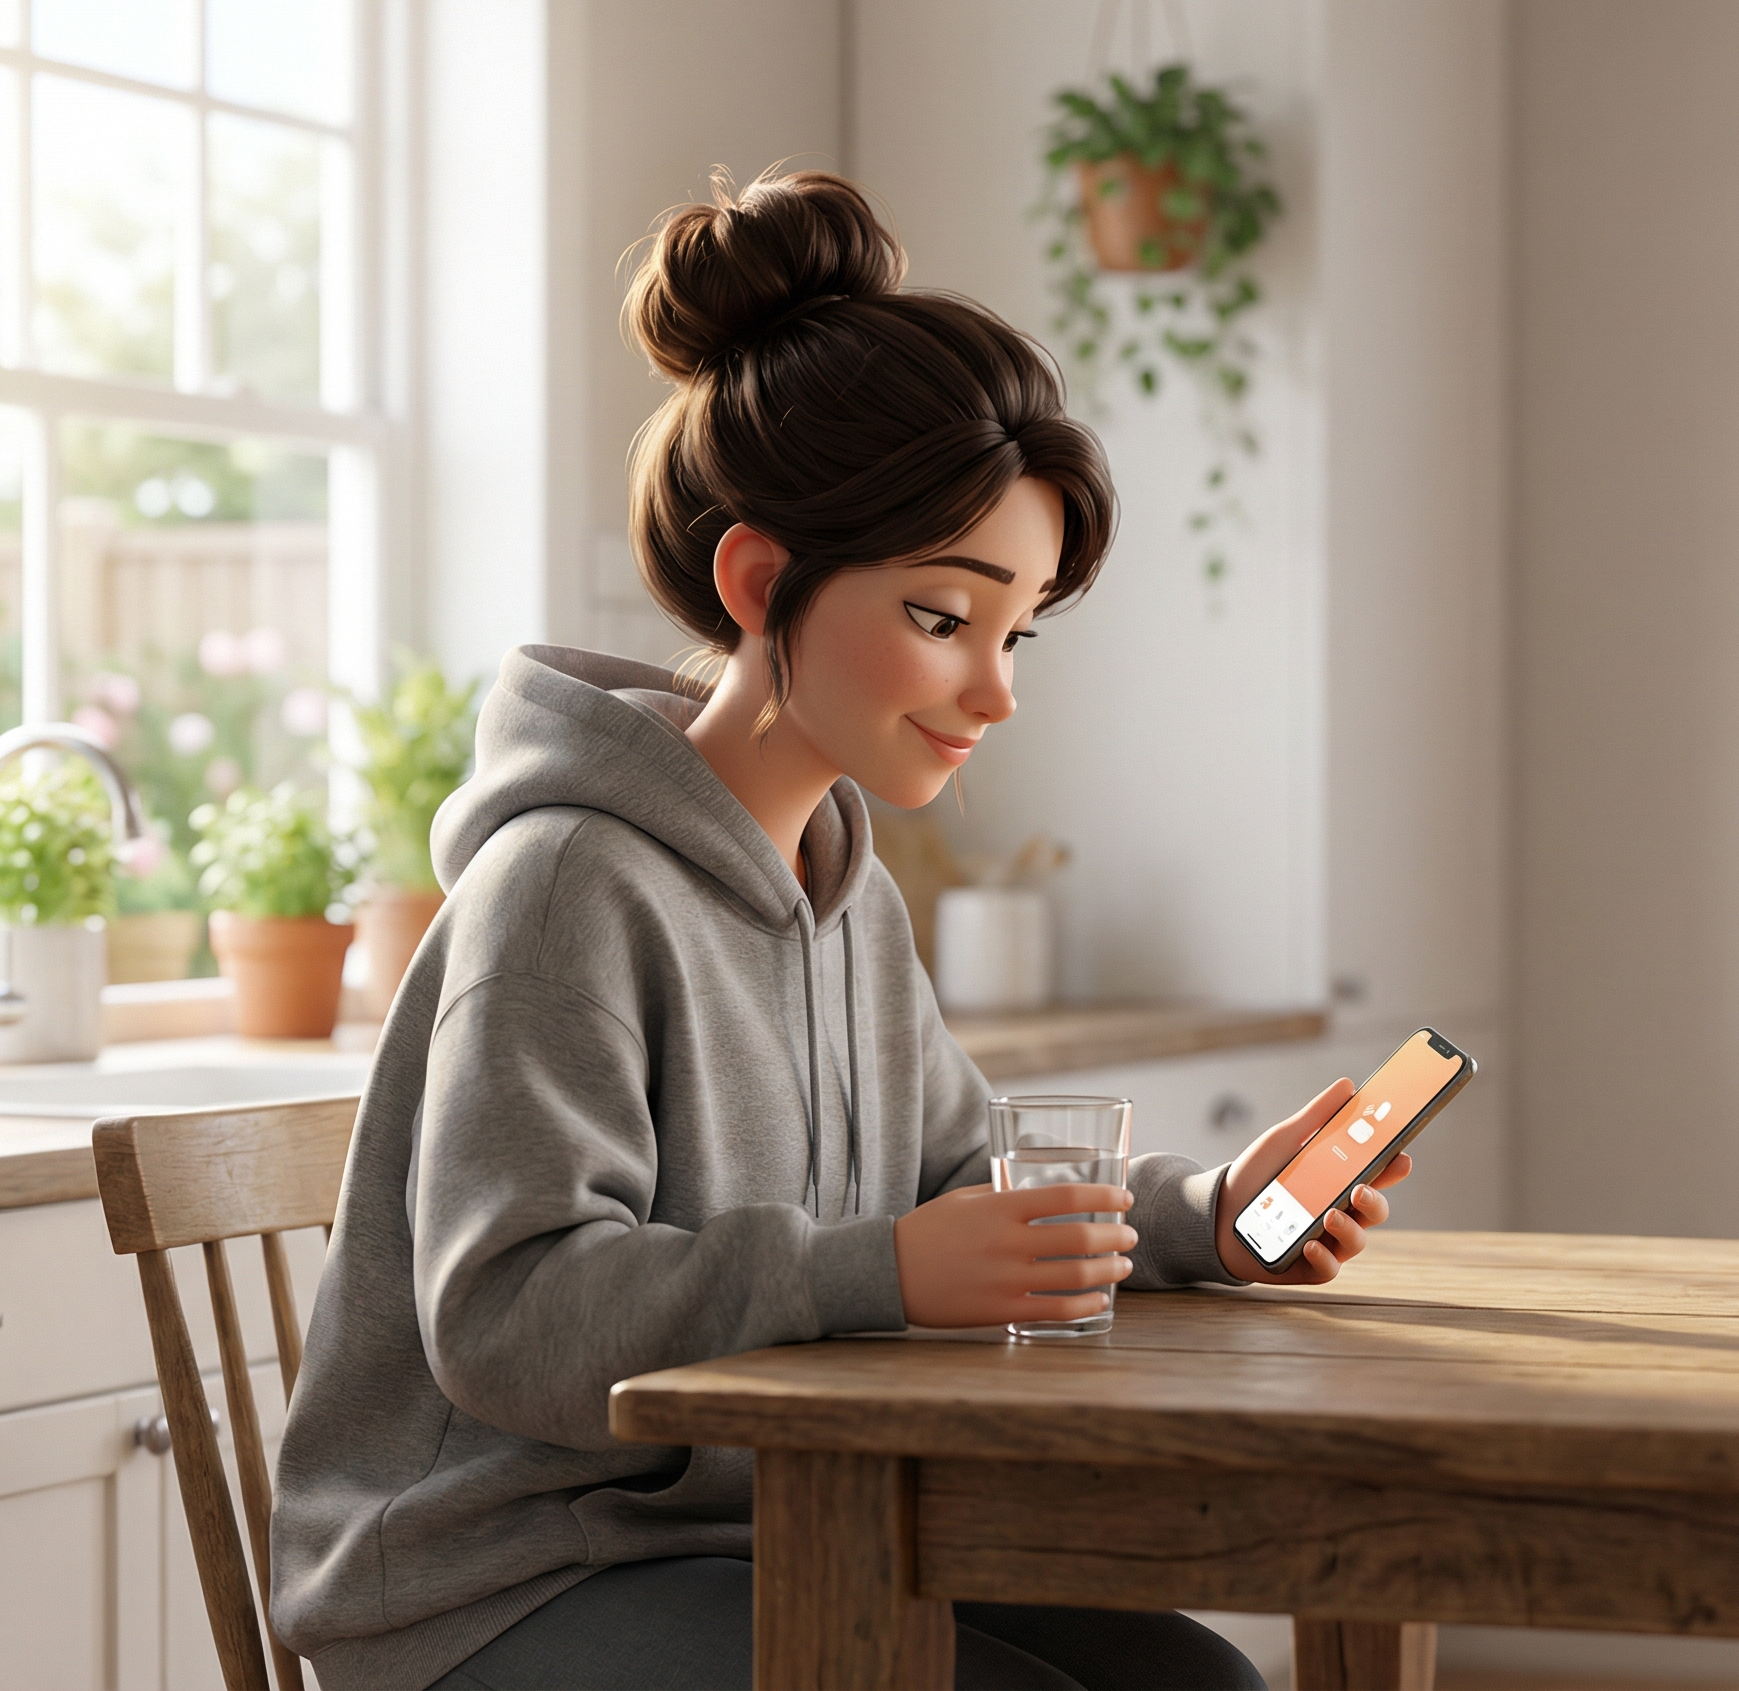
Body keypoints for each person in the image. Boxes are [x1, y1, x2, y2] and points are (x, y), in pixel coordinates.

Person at [268, 168, 1410, 1691]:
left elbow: (950, 1181)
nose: (995, 692)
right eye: (945, 618)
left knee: (1199, 1686)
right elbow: (509, 1317)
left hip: (774, 1525)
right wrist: (879, 1273)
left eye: (1018, 632)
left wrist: (1213, 1214)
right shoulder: (564, 887)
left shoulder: (840, 886)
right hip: (491, 1585)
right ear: (760, 580)